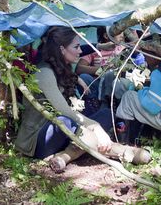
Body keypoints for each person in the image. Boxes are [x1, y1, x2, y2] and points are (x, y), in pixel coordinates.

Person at [14, 26, 151, 172]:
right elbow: (64, 111)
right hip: (38, 140)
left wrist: (92, 125)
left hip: (65, 130)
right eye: (77, 47)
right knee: (66, 121)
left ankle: (65, 155)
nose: (80, 51)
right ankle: (124, 152)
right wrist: (95, 127)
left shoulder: (62, 68)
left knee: (105, 114)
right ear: (62, 49)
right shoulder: (44, 72)